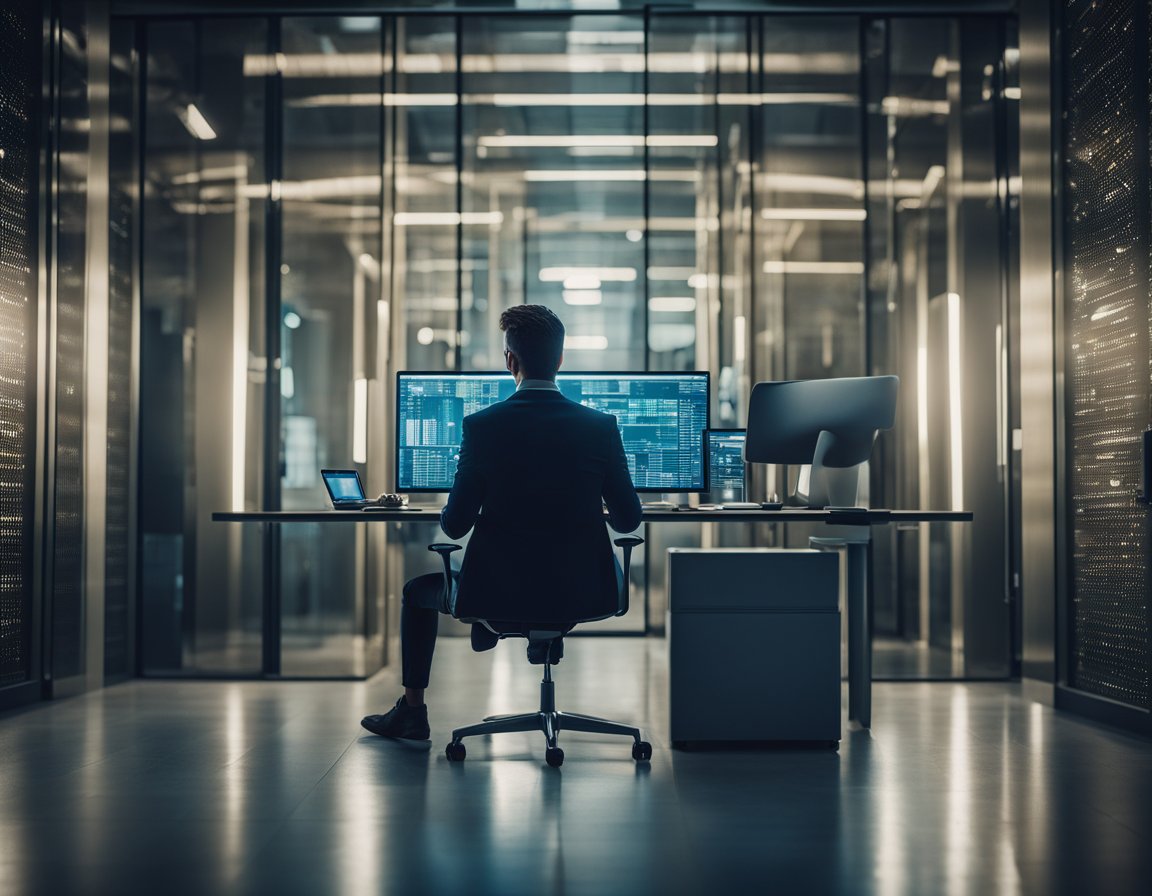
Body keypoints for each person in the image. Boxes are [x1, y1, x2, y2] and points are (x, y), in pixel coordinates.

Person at [361, 304, 643, 747]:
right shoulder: (600, 427)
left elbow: (454, 528)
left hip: (496, 591)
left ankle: (412, 713)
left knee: (417, 592)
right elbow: (629, 518)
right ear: (561, 359)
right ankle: (542, 638)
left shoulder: (481, 427)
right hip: (586, 589)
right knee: (544, 587)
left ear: (509, 360)